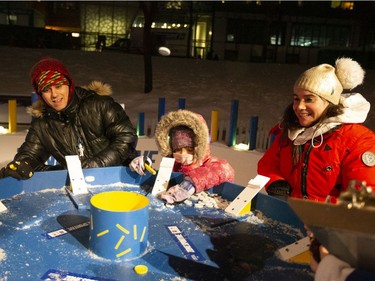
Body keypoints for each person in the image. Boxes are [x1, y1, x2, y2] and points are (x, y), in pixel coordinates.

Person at [257, 57, 375, 203]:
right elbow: (268, 164)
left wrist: (323, 212)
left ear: (330, 103)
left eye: (309, 99)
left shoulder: (358, 139)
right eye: (296, 98)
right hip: (291, 216)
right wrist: (276, 183)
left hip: (333, 223)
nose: (299, 106)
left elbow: (363, 195)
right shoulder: (291, 132)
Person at [0, 57, 138, 180]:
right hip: (79, 188)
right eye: (46, 90)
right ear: (40, 94)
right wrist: (22, 165)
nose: (54, 94)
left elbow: (126, 138)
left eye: (58, 86)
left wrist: (95, 165)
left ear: (69, 84)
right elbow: (30, 155)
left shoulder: (99, 105)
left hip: (118, 179)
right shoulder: (42, 124)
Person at [130, 109, 235, 204]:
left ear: (200, 147)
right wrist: (144, 164)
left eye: (189, 149)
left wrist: (190, 184)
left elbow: (224, 170)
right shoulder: (174, 165)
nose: (183, 155)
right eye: (178, 150)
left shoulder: (211, 164)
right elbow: (160, 181)